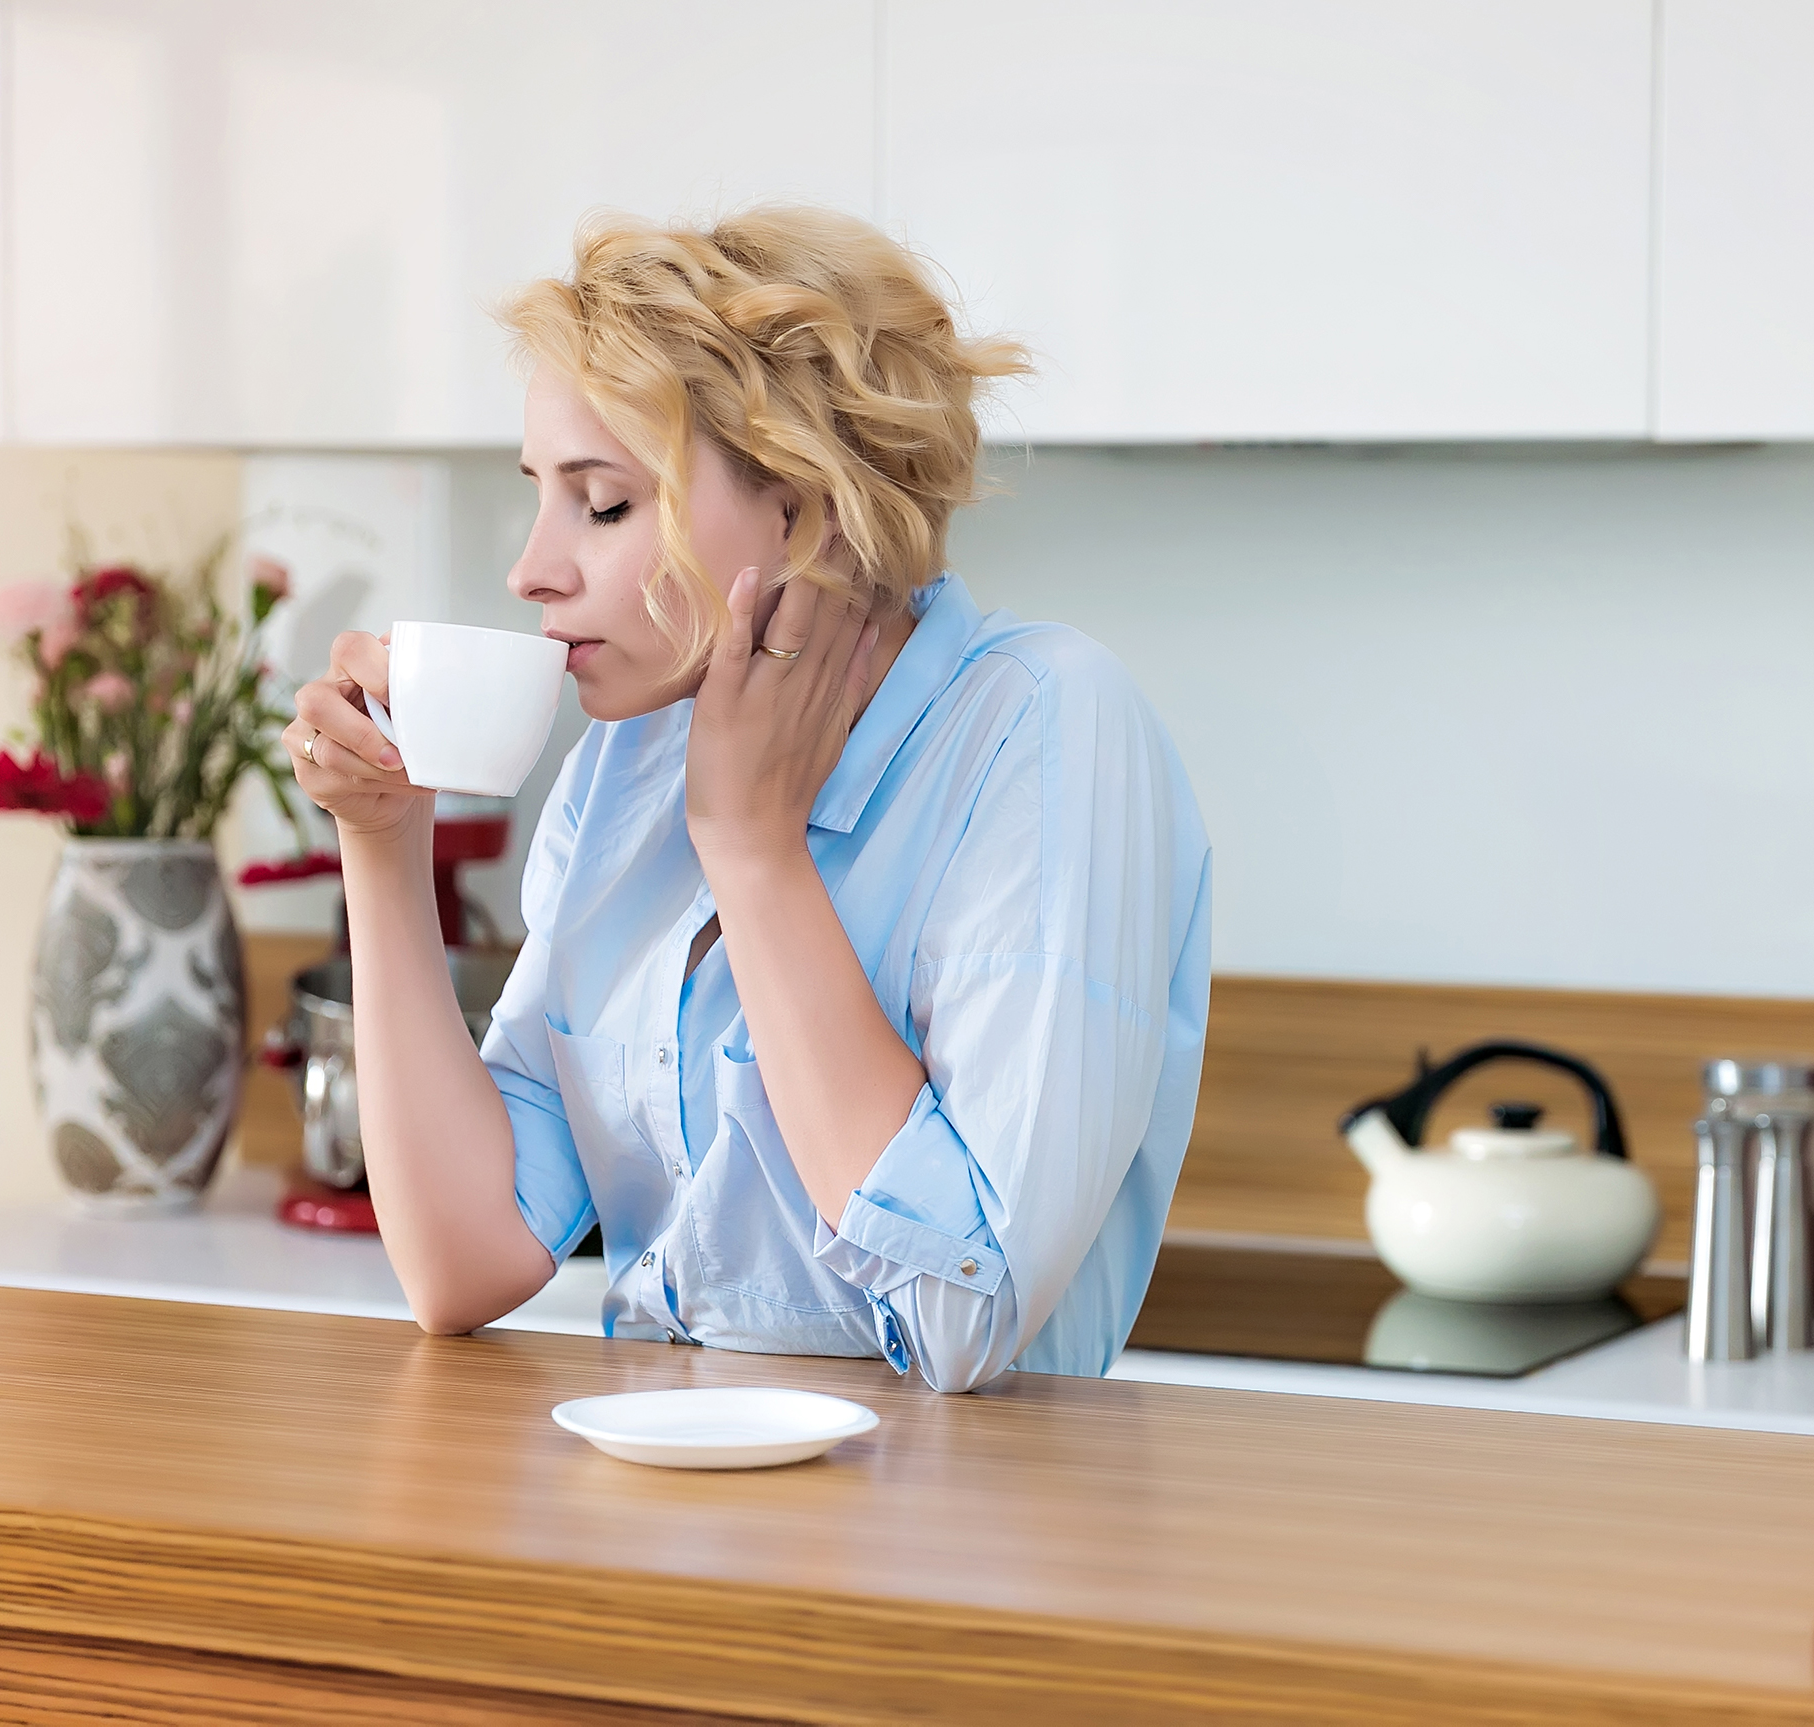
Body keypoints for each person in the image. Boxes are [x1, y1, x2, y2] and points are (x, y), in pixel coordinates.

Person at [286, 207, 1211, 1392]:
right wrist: (382, 842)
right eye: (539, 494)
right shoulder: (622, 769)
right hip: (655, 1529)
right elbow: (460, 1262)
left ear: (801, 511)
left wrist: (754, 848)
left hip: (960, 1555)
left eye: (602, 503)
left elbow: (960, 1325)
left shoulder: (1045, 727)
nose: (531, 568)